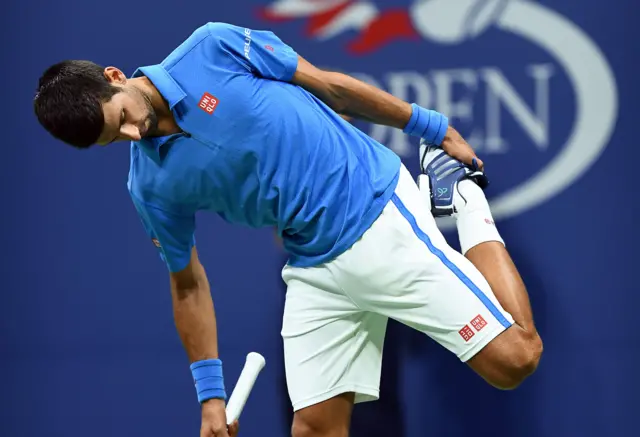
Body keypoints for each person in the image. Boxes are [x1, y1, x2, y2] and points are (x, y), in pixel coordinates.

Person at [34, 22, 543, 437]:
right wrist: (211, 400)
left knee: (516, 359)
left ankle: (465, 197)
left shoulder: (212, 48)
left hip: (375, 210)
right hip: (312, 265)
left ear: (116, 75)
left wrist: (433, 127)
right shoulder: (149, 186)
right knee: (314, 429)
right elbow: (186, 284)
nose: (131, 134)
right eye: (113, 139)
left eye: (121, 116)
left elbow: (329, 87)